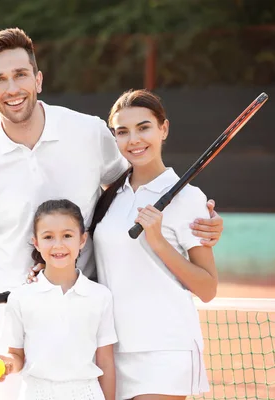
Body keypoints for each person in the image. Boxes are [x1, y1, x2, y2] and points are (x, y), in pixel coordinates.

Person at [0, 27, 223, 400]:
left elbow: (132, 186)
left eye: (20, 74)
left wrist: (195, 211)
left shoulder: (89, 131)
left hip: (82, 323)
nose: (12, 88)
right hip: (8, 325)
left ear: (38, 79)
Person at [86, 89, 217, 400]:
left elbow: (208, 288)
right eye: (123, 132)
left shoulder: (188, 199)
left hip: (165, 349)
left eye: (144, 127)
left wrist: (158, 241)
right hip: (110, 350)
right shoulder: (109, 196)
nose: (134, 140)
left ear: (164, 129)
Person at [0, 199, 116, 400]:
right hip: (36, 393)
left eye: (67, 235)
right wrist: (7, 363)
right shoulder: (20, 298)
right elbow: (16, 355)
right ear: (36, 243)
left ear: (82, 240)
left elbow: (106, 362)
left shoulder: (101, 296)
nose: (58, 245)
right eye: (48, 237)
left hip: (87, 394)